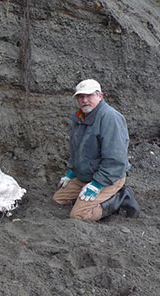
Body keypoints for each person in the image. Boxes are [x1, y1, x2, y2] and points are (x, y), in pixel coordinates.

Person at [53, 79, 140, 221]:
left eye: (89, 96)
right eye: (80, 97)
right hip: (85, 175)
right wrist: (71, 171)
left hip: (109, 177)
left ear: (100, 96)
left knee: (78, 215)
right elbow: (77, 149)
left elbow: (116, 159)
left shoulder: (110, 118)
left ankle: (120, 198)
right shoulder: (79, 117)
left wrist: (98, 184)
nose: (84, 100)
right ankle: (92, 199)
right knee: (58, 199)